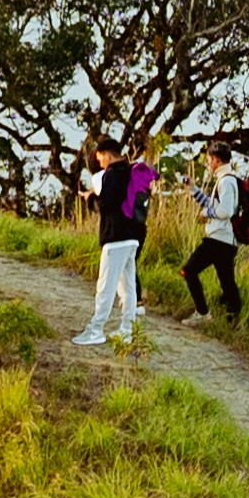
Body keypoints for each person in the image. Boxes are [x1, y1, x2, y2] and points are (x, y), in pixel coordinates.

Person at [89, 137, 155, 346]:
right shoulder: (130, 171)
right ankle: (127, 330)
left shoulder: (113, 173)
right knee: (128, 288)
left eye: (100, 157)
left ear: (107, 154)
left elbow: (107, 205)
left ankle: (95, 330)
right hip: (133, 235)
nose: (99, 162)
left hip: (115, 237)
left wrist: (90, 198)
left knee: (106, 287)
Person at [179, 142, 249, 322]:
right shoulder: (227, 179)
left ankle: (203, 314)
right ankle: (233, 320)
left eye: (209, 160)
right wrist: (193, 189)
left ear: (216, 160)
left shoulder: (226, 181)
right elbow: (213, 205)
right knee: (227, 283)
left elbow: (225, 211)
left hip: (218, 239)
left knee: (188, 271)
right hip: (226, 241)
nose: (208, 163)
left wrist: (205, 213)